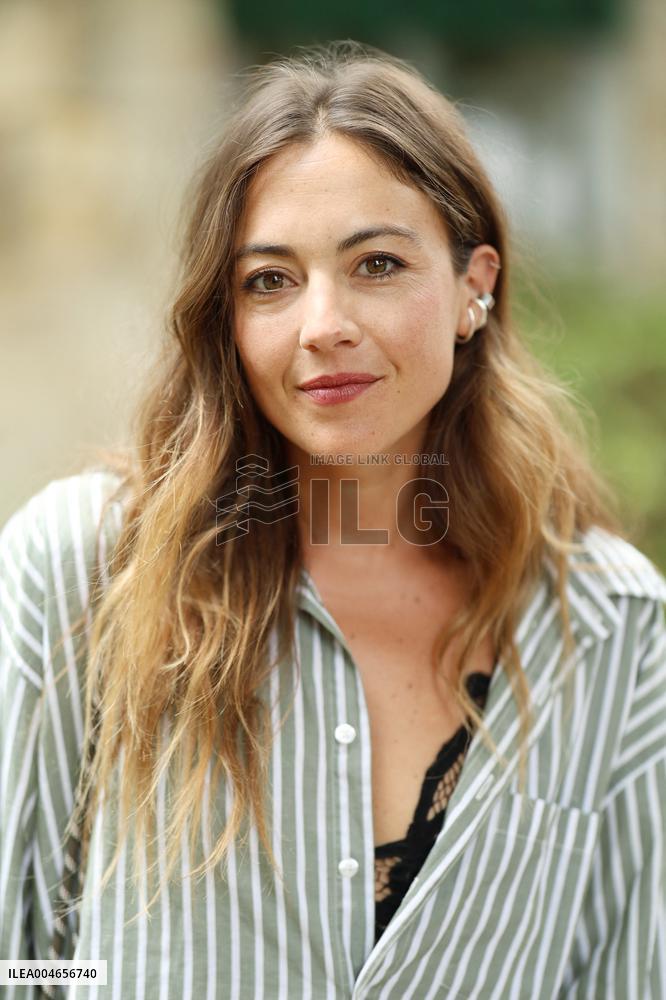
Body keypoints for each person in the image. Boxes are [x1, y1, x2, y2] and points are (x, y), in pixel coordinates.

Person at [1, 39, 665, 1000]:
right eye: (270, 280)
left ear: (475, 285)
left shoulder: (610, 628)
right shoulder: (87, 569)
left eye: (378, 264)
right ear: (225, 316)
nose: (322, 325)